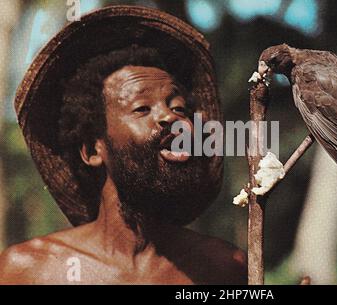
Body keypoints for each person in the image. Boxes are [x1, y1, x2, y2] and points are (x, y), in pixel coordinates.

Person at [0, 6, 246, 284]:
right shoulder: (28, 271)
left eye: (178, 107)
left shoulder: (226, 268)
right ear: (93, 151)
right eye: (142, 108)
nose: (170, 116)